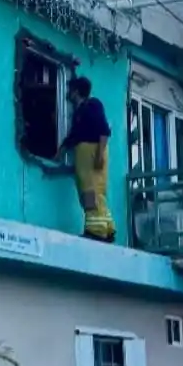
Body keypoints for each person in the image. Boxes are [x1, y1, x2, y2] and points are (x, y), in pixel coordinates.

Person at [56, 75, 116, 243]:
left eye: (70, 90)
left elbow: (103, 131)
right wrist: (62, 149)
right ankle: (107, 228)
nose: (68, 93)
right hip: (86, 154)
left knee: (91, 192)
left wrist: (98, 155)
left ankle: (96, 230)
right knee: (95, 192)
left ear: (76, 91)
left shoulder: (92, 105)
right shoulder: (80, 111)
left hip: (91, 152)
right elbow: (75, 135)